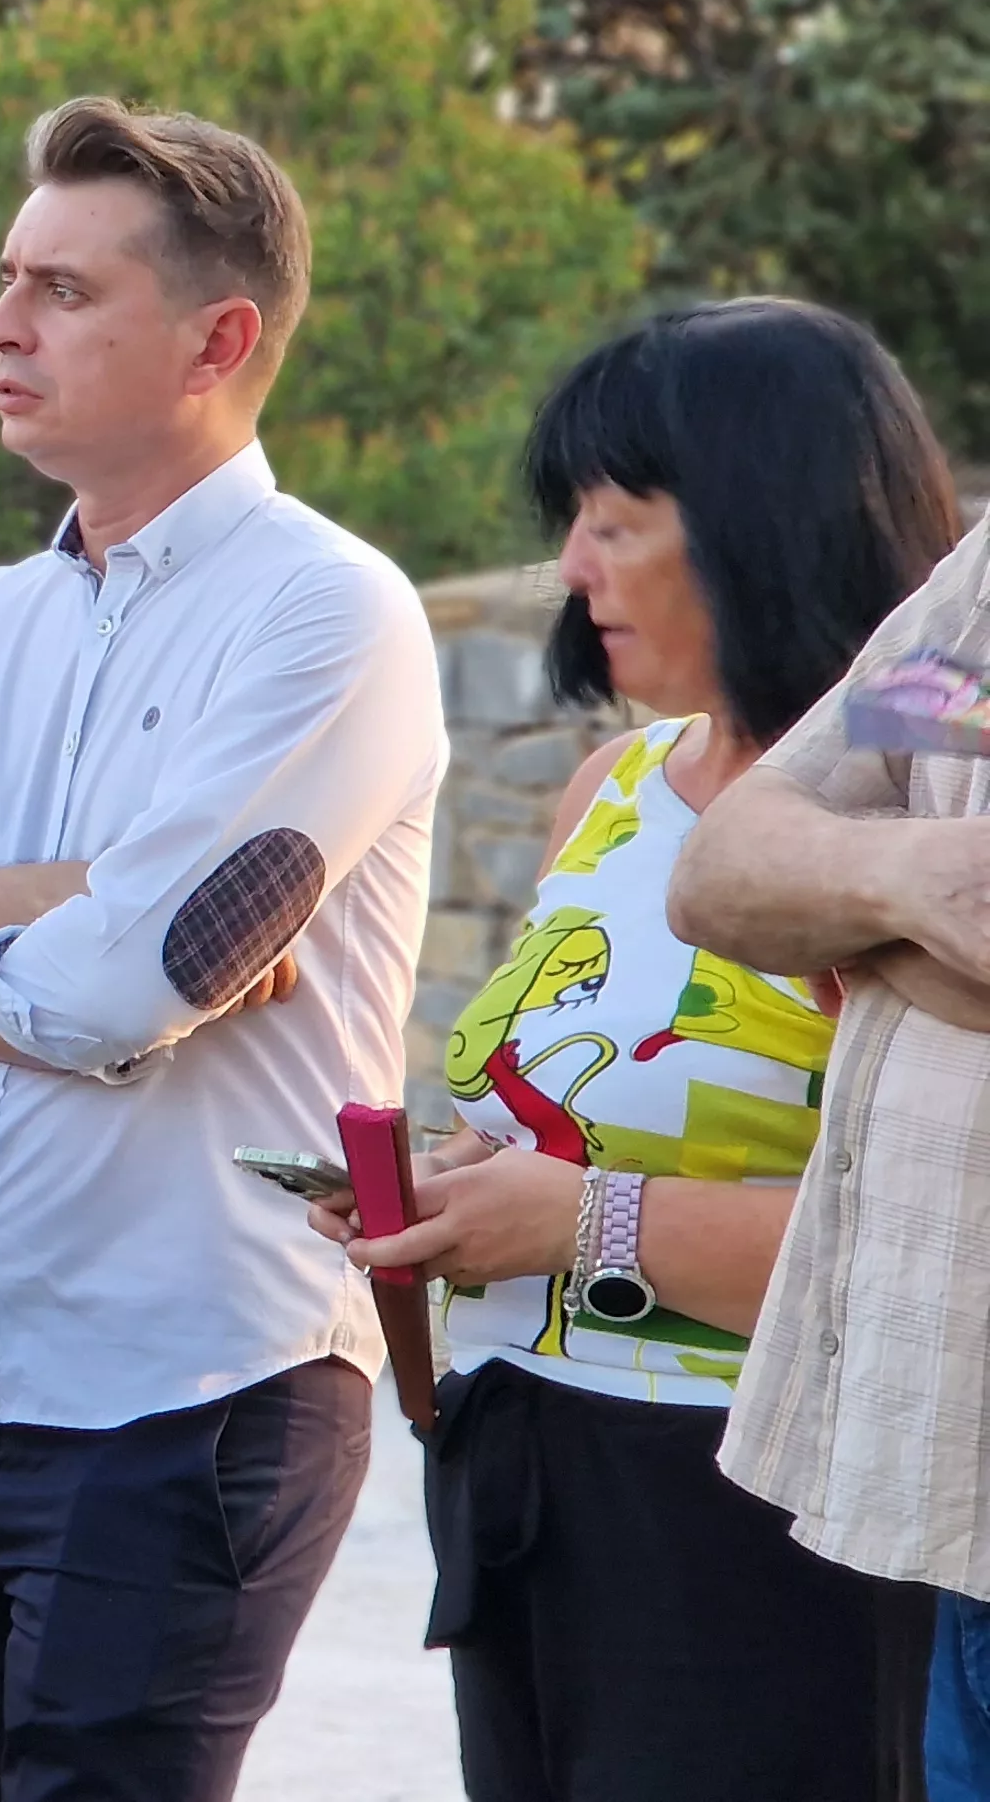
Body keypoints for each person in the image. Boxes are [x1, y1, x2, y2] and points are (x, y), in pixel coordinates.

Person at [0, 98, 443, 1799]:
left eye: (61, 288)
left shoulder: (330, 612)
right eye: (7, 280)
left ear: (219, 338)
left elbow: (128, 984)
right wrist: (62, 891)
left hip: (196, 1396)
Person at [304, 301, 950, 1798]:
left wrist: (593, 1221)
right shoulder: (613, 787)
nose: (573, 569)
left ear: (759, 519)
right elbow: (594, 1118)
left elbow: (932, 1237)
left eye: (614, 520)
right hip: (530, 1462)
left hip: (761, 1511)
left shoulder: (913, 833)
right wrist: (463, 1198)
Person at [665, 382, 990, 1791]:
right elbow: (730, 862)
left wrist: (880, 939)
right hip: (963, 1519)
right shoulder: (980, 597)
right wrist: (914, 879)